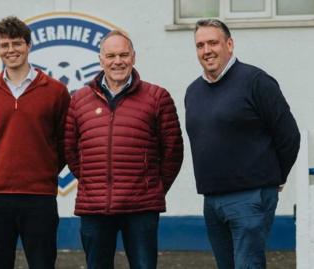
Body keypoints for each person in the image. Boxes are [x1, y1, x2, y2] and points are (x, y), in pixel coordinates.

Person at [185, 19, 300, 269]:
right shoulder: (193, 91)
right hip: (212, 200)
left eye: (213, 43)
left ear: (229, 44)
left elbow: (289, 135)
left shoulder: (256, 81)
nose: (207, 51)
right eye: (200, 45)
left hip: (251, 197)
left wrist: (274, 178)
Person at [64, 30, 184, 269]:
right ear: (101, 60)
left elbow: (173, 151)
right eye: (111, 55)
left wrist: (153, 187)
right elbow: (70, 149)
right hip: (94, 207)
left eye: (123, 55)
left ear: (134, 57)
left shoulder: (157, 97)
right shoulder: (79, 100)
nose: (117, 61)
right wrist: (92, 181)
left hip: (141, 207)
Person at [0, 16, 70, 269]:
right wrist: (1, 164)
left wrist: (44, 168)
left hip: (39, 196)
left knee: (42, 264)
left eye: (17, 43)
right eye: (4, 45)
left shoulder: (56, 91)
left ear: (28, 45)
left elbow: (64, 141)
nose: (11, 50)